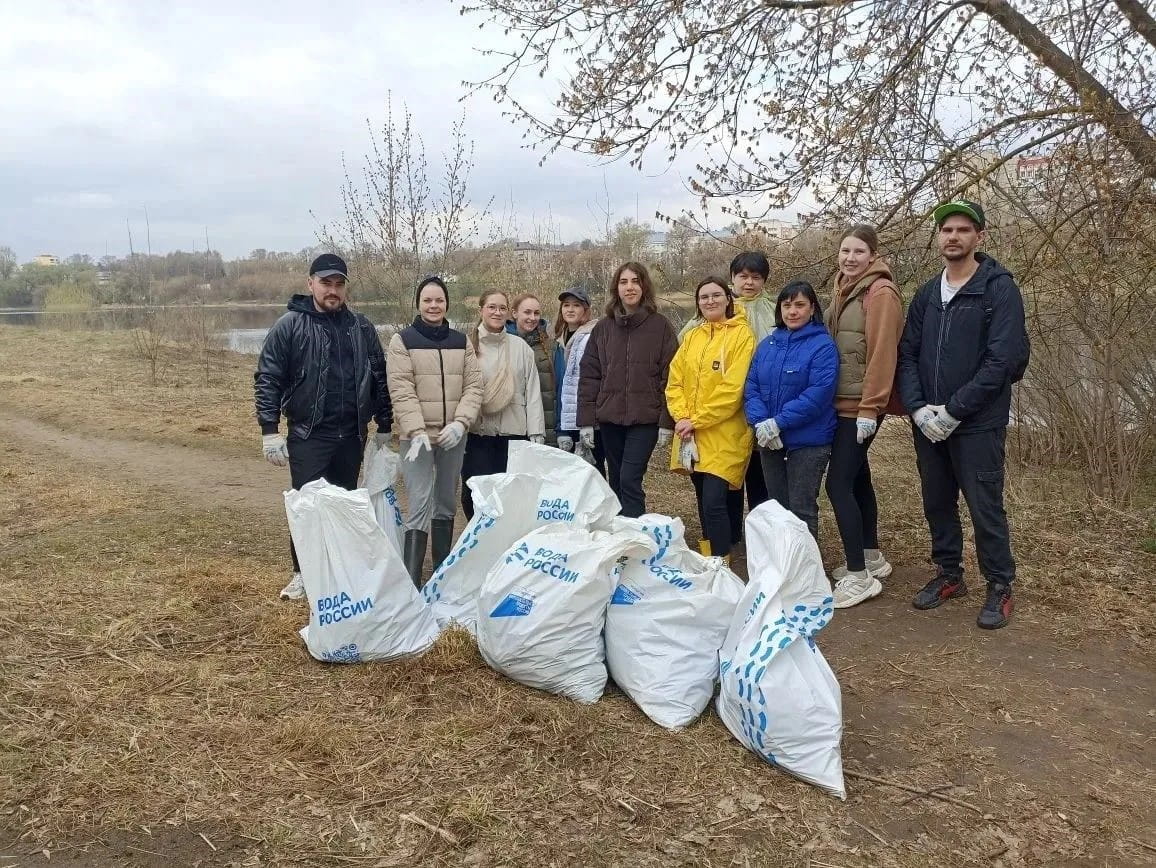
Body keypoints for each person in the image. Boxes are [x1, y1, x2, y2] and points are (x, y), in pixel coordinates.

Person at [898, 200, 1029, 630]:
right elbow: (908, 355)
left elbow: (1002, 361)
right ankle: (950, 574)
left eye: (962, 230)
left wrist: (954, 410)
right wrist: (918, 408)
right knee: (937, 501)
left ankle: (999, 585)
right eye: (946, 230)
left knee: (983, 505)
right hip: (929, 423)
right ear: (938, 238)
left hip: (977, 423)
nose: (952, 237)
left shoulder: (997, 289)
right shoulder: (926, 293)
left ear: (979, 237)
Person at [255, 253, 392, 601]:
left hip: (352, 435)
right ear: (310, 283)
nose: (333, 290)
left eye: (339, 284)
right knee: (308, 506)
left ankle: (338, 569)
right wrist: (269, 429)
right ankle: (302, 573)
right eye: (326, 283)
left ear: (346, 287)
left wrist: (386, 423)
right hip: (309, 434)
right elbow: (268, 377)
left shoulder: (361, 327)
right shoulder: (289, 325)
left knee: (344, 505)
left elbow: (379, 376)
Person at [824, 225, 905, 609]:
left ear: (873, 256)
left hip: (859, 406)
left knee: (837, 484)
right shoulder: (844, 288)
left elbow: (882, 353)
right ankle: (871, 555)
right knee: (857, 477)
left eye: (858, 252)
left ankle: (858, 576)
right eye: (845, 250)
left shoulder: (881, 293)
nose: (850, 258)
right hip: (842, 401)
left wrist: (872, 407)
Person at [387, 276, 483, 587]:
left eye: (439, 300)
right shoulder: (402, 341)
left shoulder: (461, 341)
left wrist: (461, 422)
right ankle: (412, 581)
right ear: (418, 303)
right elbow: (401, 389)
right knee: (419, 502)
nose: (433, 305)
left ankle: (440, 577)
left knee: (445, 501)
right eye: (427, 300)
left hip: (453, 437)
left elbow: (474, 386)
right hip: (416, 439)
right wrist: (415, 430)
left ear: (446, 304)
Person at [577, 262, 678, 517]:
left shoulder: (660, 326)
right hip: (610, 418)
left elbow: (672, 376)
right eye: (624, 282)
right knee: (616, 479)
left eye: (635, 281)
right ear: (616, 288)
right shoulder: (603, 328)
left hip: (645, 419)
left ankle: (635, 540)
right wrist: (586, 421)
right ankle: (618, 535)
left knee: (630, 479)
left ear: (644, 286)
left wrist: (667, 421)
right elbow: (590, 375)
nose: (630, 287)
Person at [666, 277, 756, 561]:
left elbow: (732, 389)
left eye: (716, 295)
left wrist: (698, 419)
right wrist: (682, 417)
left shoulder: (743, 336)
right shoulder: (693, 336)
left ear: (728, 298)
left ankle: (719, 562)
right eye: (704, 297)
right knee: (703, 497)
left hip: (724, 433)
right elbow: (675, 380)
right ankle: (712, 555)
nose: (710, 301)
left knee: (714, 500)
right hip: (691, 434)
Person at [743, 281, 838, 541]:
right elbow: (751, 387)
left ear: (812, 309)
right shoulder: (768, 345)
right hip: (769, 439)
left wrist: (779, 422)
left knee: (801, 509)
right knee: (777, 507)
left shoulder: (822, 346)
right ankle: (782, 566)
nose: (792, 311)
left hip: (808, 441)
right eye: (786, 305)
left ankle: (806, 574)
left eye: (799, 305)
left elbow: (818, 394)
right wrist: (761, 422)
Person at [462, 291, 545, 518]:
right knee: (475, 494)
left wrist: (536, 432)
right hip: (478, 434)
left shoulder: (521, 348)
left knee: (510, 497)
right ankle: (476, 541)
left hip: (514, 434)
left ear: (508, 312)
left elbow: (533, 392)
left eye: (502, 308)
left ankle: (504, 547)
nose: (497, 312)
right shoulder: (467, 346)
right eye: (492, 307)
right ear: (482, 310)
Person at [553, 282, 605, 472]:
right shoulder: (560, 338)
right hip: (567, 417)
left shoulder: (593, 335)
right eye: (566, 305)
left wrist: (588, 420)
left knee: (593, 471)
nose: (570, 309)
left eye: (576, 305)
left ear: (586, 310)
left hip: (588, 418)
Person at [507, 293, 557, 446]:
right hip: (512, 427)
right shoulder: (503, 344)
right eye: (527, 312)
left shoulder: (550, 346)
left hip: (546, 428)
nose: (532, 317)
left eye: (536, 313)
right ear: (514, 313)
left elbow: (558, 387)